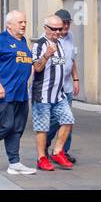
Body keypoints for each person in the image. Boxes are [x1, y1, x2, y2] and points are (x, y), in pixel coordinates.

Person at [0, 10, 36, 175]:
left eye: (25, 22)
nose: (24, 25)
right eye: (20, 22)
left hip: (21, 94)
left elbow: (27, 64)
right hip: (4, 93)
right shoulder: (0, 40)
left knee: (17, 128)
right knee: (6, 125)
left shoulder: (23, 41)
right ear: (9, 25)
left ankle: (14, 163)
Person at [29, 14, 74, 171]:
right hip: (42, 95)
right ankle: (41, 158)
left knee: (68, 120)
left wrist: (75, 79)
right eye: (53, 29)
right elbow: (37, 68)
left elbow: (63, 66)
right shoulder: (39, 45)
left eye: (59, 29)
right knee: (43, 128)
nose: (56, 32)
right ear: (45, 28)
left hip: (59, 94)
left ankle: (57, 152)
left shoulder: (60, 43)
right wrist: (47, 54)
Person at [45, 8, 79, 163]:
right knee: (54, 120)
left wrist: (76, 79)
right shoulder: (46, 39)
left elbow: (71, 60)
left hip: (67, 87)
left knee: (68, 120)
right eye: (63, 24)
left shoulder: (70, 37)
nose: (65, 27)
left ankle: (63, 151)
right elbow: (47, 63)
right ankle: (44, 144)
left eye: (67, 23)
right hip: (52, 88)